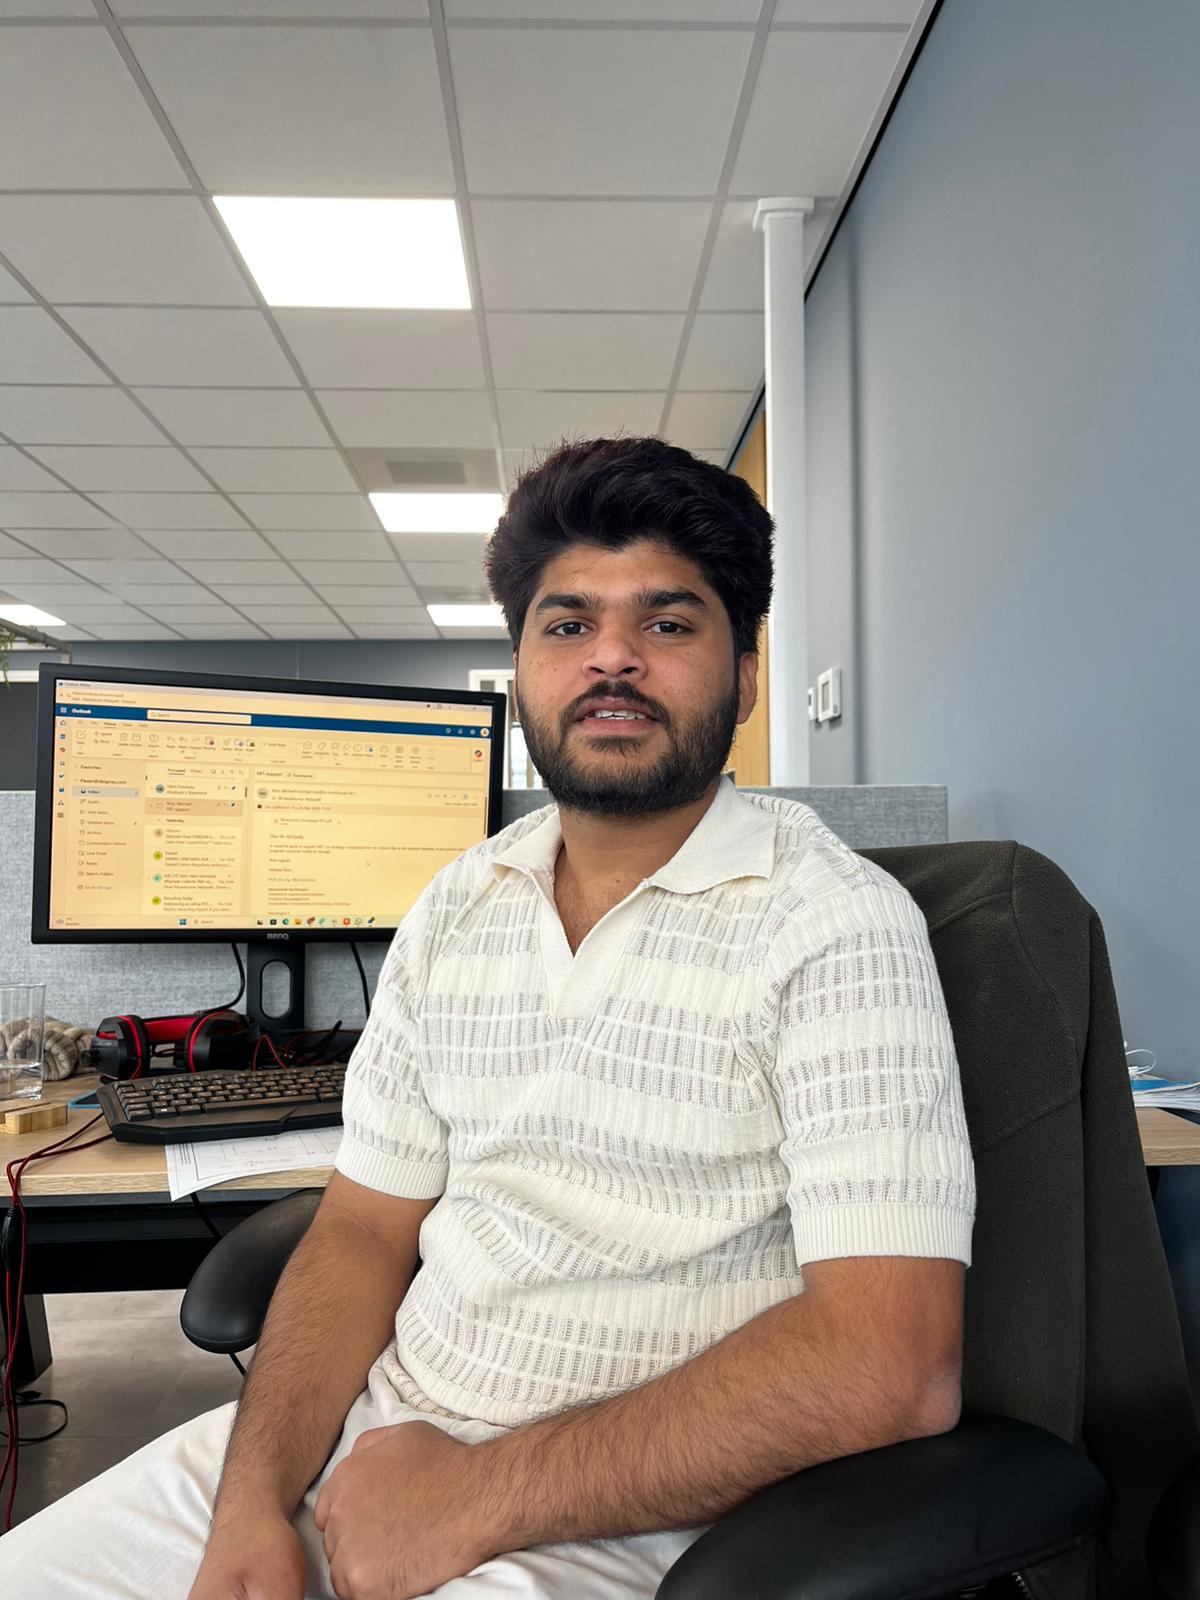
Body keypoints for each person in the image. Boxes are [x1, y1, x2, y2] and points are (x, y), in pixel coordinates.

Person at [0, 437, 976, 1600]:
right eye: (567, 625)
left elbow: (892, 1362)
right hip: (371, 1451)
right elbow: (362, 1230)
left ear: (747, 675)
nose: (612, 656)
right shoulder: (460, 904)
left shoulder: (835, 924)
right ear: (519, 670)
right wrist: (256, 1499)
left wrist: (477, 1493)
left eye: (668, 623)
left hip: (640, 1517)